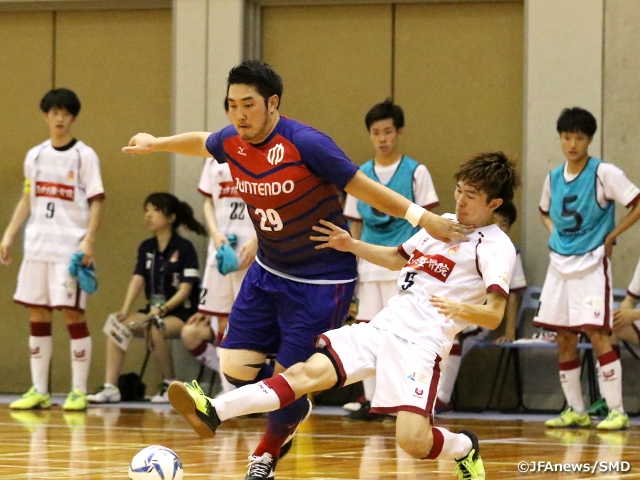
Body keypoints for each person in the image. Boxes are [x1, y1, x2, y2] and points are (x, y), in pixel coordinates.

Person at [122, 59, 472, 479]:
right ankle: (294, 398)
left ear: (273, 103)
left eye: (248, 104)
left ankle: (267, 453)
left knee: (289, 378)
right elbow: (202, 142)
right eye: (231, 105)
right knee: (235, 369)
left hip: (321, 280)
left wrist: (423, 218)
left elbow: (364, 189)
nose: (239, 114)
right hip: (268, 269)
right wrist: (156, 142)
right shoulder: (232, 140)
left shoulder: (307, 143)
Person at [167, 151, 519, 480]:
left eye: (471, 195)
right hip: (383, 327)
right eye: (459, 190)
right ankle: (214, 409)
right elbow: (398, 258)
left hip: (421, 345)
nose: (460, 200)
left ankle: (465, 446)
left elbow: (494, 315)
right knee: (304, 374)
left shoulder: (495, 247)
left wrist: (463, 310)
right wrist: (352, 245)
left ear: (495, 203)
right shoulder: (442, 224)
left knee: (413, 442)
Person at [535, 107, 640, 431]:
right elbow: (543, 211)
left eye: (579, 138)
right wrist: (554, 232)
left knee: (597, 333)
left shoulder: (603, 173)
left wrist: (612, 235)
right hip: (560, 266)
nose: (572, 144)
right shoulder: (553, 177)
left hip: (592, 265)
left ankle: (616, 410)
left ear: (589, 140)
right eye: (567, 137)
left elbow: (636, 202)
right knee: (563, 337)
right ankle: (576, 409)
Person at [1, 88, 104, 411]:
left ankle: (77, 390)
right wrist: (8, 236)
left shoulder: (83, 155)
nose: (60, 118)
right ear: (46, 116)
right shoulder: (35, 155)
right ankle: (39, 389)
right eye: (54, 113)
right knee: (37, 312)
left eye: (66, 113)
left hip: (68, 249)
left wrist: (89, 240)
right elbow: (27, 198)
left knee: (73, 313)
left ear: (73, 118)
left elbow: (97, 200)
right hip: (36, 247)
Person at [342, 99, 439, 420]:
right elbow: (355, 225)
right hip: (370, 264)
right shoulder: (359, 176)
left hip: (405, 264)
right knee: (367, 330)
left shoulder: (416, 172)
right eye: (376, 133)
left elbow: (430, 221)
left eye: (388, 132)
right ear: (369, 136)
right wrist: (352, 266)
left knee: (405, 334)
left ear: (399, 132)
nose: (382, 138)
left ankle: (407, 399)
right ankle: (372, 401)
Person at [87, 193, 205, 404]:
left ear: (170, 218)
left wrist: (162, 310)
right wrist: (125, 309)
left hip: (181, 313)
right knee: (118, 325)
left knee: (155, 326)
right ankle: (110, 387)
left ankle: (170, 384)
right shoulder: (146, 248)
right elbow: (137, 280)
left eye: (155, 211)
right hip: (152, 311)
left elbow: (186, 290)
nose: (148, 216)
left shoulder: (184, 248)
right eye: (146, 210)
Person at [435, 202, 527, 413]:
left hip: (478, 315)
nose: (498, 226)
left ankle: (442, 397)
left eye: (503, 223)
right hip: (453, 306)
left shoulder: (509, 251)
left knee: (453, 335)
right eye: (495, 220)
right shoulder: (466, 244)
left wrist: (510, 331)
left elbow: (513, 294)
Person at [181, 160, 257, 396]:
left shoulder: (261, 151)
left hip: (254, 253)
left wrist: (257, 239)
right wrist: (214, 232)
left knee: (252, 325)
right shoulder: (213, 156)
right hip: (222, 251)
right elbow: (208, 202)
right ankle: (231, 393)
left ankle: (255, 389)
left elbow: (274, 204)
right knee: (223, 325)